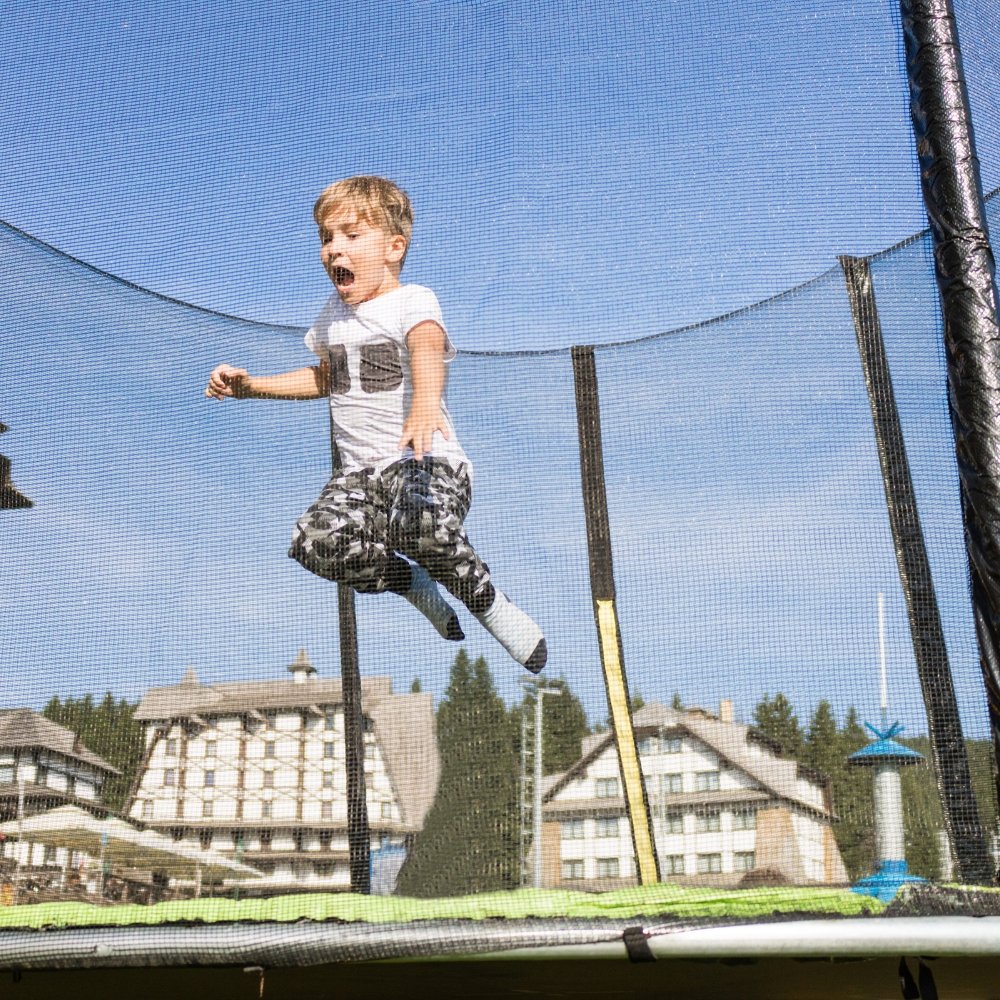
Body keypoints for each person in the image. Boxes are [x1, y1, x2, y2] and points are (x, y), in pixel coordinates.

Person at [206, 176, 546, 673]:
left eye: (350, 235)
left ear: (393, 248)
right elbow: (326, 377)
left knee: (418, 527)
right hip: (359, 477)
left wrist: (424, 403)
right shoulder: (331, 317)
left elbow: (427, 346)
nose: (333, 249)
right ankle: (411, 584)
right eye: (326, 238)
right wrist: (252, 386)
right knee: (316, 542)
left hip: (423, 461)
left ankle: (488, 603)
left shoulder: (412, 300)